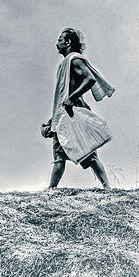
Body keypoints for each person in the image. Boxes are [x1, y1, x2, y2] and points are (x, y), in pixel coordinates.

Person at [42, 28, 113, 189]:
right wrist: (52, 119)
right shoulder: (65, 63)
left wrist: (72, 98)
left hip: (73, 113)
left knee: (90, 154)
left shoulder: (74, 59)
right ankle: (51, 190)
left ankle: (107, 188)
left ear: (68, 42)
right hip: (62, 116)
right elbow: (61, 96)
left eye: (60, 40)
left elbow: (89, 79)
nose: (57, 43)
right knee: (59, 156)